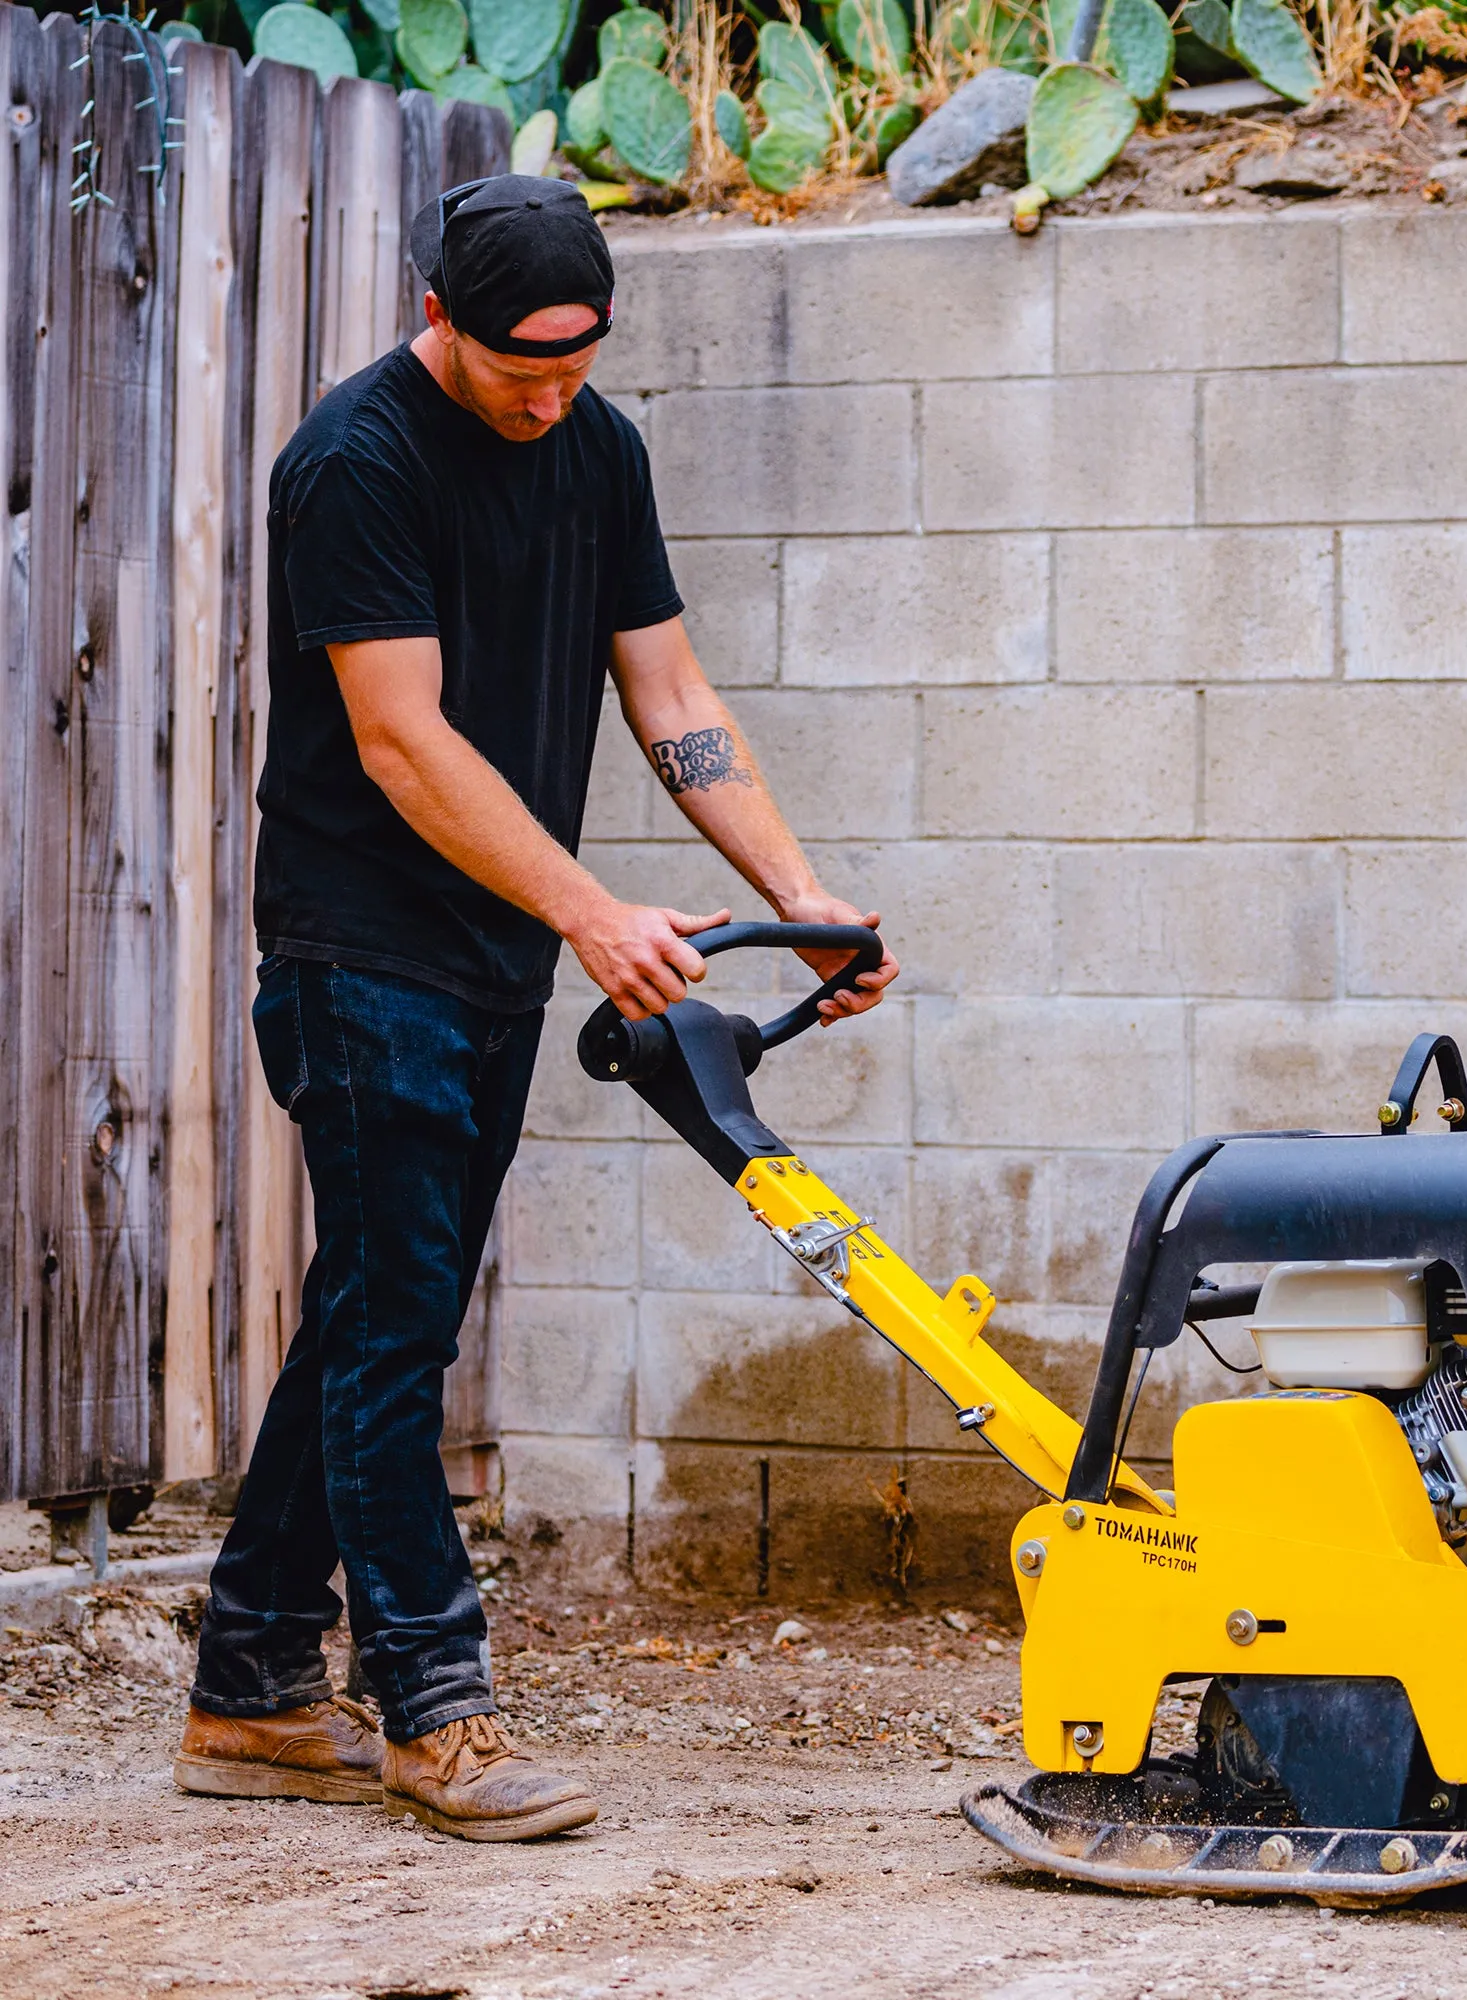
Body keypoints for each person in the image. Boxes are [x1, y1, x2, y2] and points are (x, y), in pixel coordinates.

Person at [172, 176, 897, 1841]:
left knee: (376, 1305)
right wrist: (590, 909)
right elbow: (403, 740)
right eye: (522, 370)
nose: (552, 397)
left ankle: (251, 1682)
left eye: (580, 364)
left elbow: (673, 693)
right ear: (441, 321)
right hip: (364, 952)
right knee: (396, 1321)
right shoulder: (352, 463)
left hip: (492, 955)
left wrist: (805, 904)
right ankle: (435, 1711)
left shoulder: (600, 450)